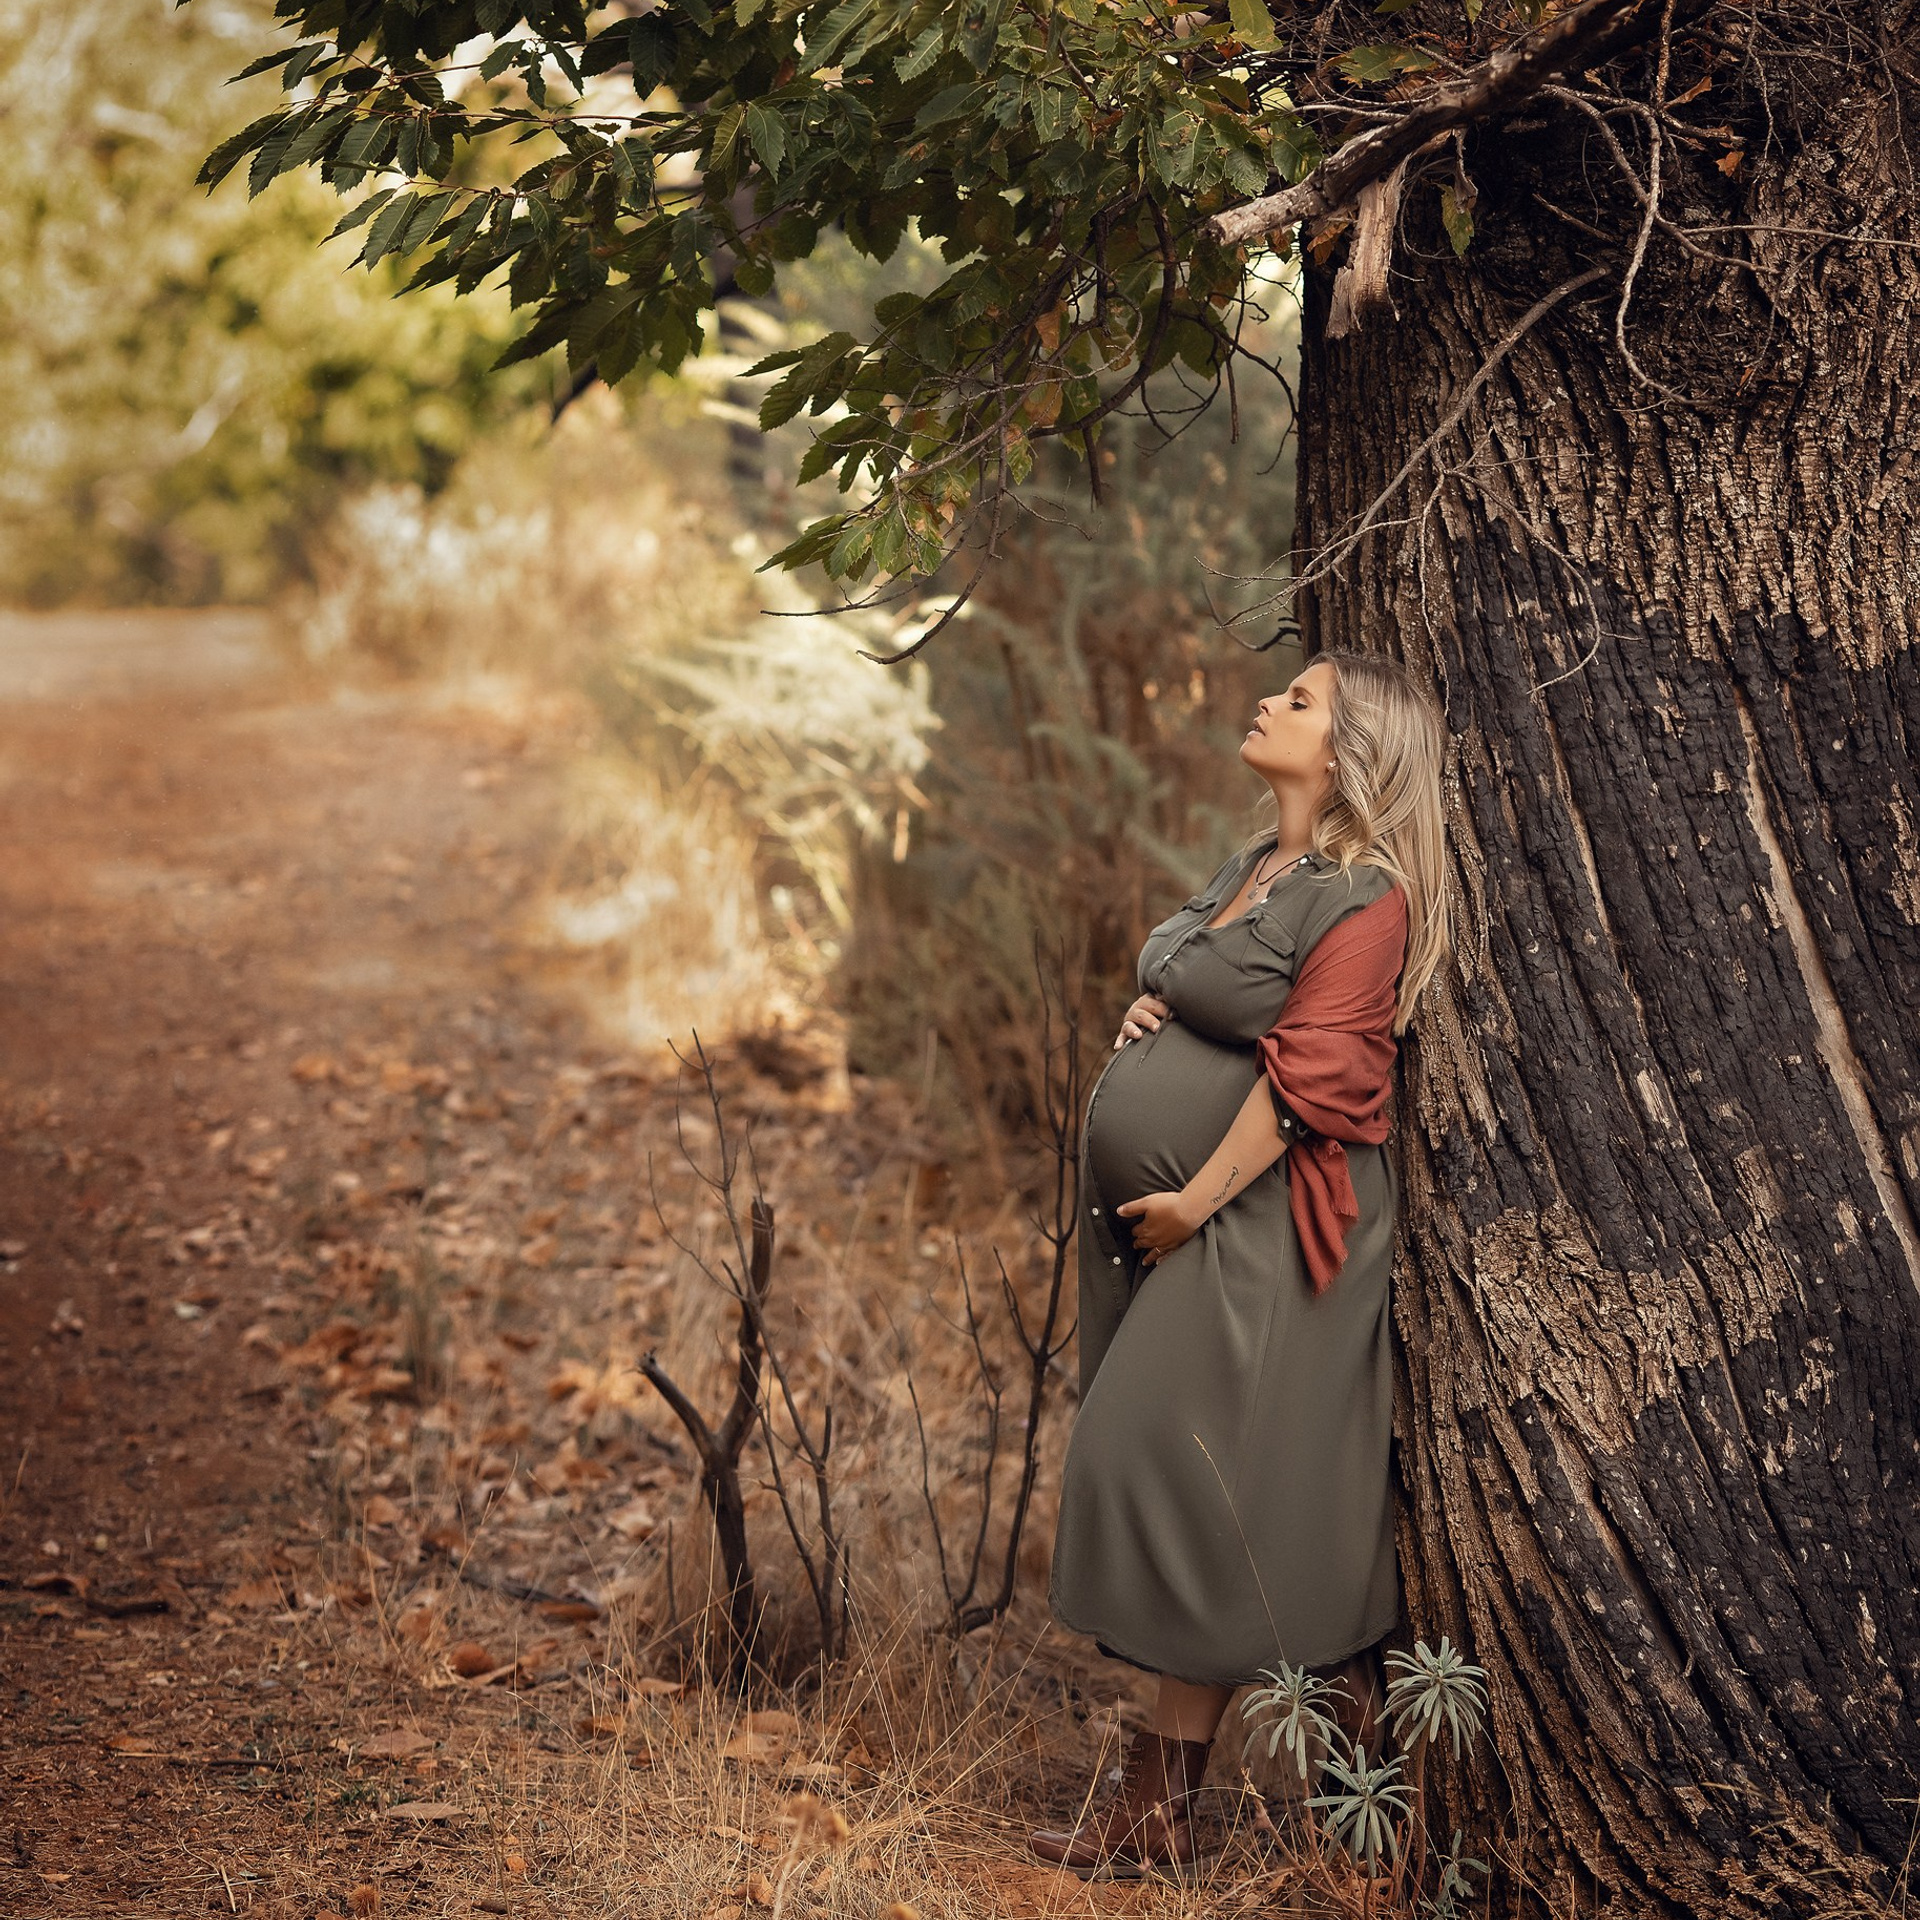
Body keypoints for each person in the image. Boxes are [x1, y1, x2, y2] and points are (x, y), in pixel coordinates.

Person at [1027, 648, 1452, 1878]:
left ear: (1349, 754)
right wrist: (1148, 1010)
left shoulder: (1366, 897)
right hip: (1197, 1217)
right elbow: (1191, 973)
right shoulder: (1262, 866)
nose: (1271, 702)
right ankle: (1163, 1813)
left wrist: (1191, 1204)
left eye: (1302, 701)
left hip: (1265, 1220)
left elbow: (1321, 1080)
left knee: (1167, 1460)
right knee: (1216, 1496)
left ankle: (1353, 1781)